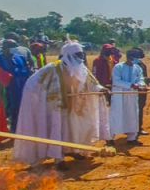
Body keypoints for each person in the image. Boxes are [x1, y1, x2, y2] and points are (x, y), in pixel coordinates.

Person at [13, 40, 109, 169]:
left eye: (81, 54)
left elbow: (92, 83)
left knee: (75, 130)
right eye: (78, 54)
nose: (81, 57)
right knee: (59, 132)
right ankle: (59, 159)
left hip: (76, 107)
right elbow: (32, 83)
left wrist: (100, 89)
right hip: (58, 109)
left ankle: (74, 150)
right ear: (69, 54)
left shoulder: (82, 69)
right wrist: (45, 96)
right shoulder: (53, 68)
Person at [108, 49, 146, 146]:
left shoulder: (137, 68)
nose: (137, 60)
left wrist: (141, 85)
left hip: (132, 95)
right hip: (119, 95)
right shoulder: (118, 67)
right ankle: (110, 138)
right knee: (116, 115)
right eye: (136, 58)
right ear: (129, 57)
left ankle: (131, 138)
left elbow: (141, 78)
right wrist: (130, 85)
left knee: (132, 115)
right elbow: (116, 81)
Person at [0, 39, 31, 131]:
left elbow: (27, 72)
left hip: (20, 89)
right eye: (12, 47)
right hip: (5, 91)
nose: (15, 49)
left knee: (18, 111)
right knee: (6, 112)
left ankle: (16, 130)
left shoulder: (20, 58)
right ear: (5, 48)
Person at [130, 48, 150, 136]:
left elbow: (144, 78)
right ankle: (132, 129)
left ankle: (138, 128)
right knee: (132, 110)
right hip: (133, 91)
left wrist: (146, 86)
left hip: (142, 91)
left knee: (140, 109)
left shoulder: (142, 65)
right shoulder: (129, 66)